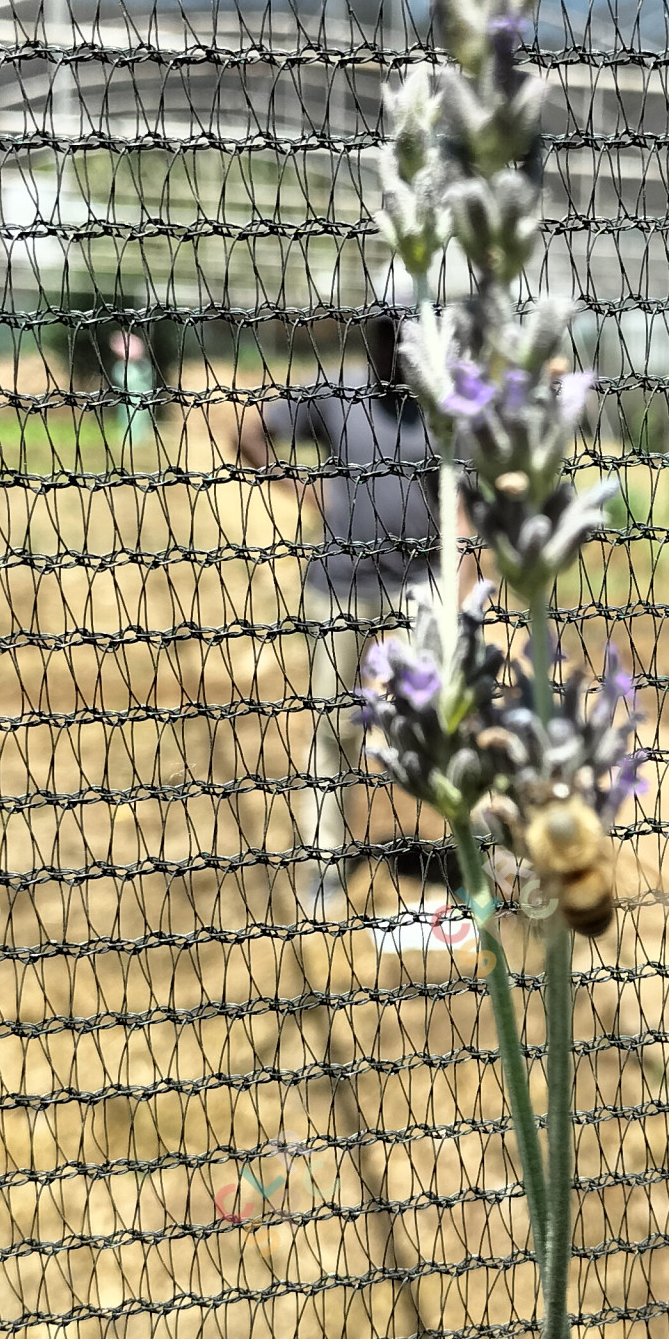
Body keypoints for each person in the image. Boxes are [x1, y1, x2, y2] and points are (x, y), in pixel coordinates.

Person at [238, 270, 440, 917]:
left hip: (420, 584)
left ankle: (460, 847)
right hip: (342, 585)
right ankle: (326, 861)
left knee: (440, 720)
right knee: (331, 726)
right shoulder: (337, 393)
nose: (396, 344)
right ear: (371, 331)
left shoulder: (441, 406)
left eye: (409, 331)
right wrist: (304, 493)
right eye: (387, 330)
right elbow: (248, 430)